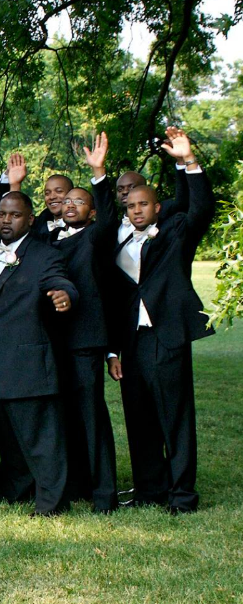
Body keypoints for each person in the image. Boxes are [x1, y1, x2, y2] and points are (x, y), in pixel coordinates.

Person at [108, 127, 213, 515]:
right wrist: (113, 351)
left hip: (167, 336)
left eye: (144, 204)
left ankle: (182, 495)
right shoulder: (119, 243)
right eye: (131, 206)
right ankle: (150, 489)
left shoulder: (176, 233)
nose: (136, 210)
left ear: (157, 208)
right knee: (139, 418)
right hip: (132, 342)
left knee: (175, 417)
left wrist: (189, 162)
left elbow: (201, 209)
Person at [0, 191, 77, 516]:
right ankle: (17, 491)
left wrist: (65, 295)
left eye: (15, 215)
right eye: (1, 214)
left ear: (30, 219)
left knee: (41, 439)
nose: (6, 220)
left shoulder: (43, 255)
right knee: (9, 437)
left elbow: (61, 281)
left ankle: (52, 503)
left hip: (28, 362)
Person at [39, 134, 121, 514]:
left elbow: (110, 216)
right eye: (67, 200)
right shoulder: (49, 239)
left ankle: (104, 495)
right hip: (53, 340)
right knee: (64, 417)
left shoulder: (96, 238)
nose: (70, 204)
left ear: (92, 212)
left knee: (91, 416)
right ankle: (75, 486)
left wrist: (98, 173)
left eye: (80, 201)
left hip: (85, 341)